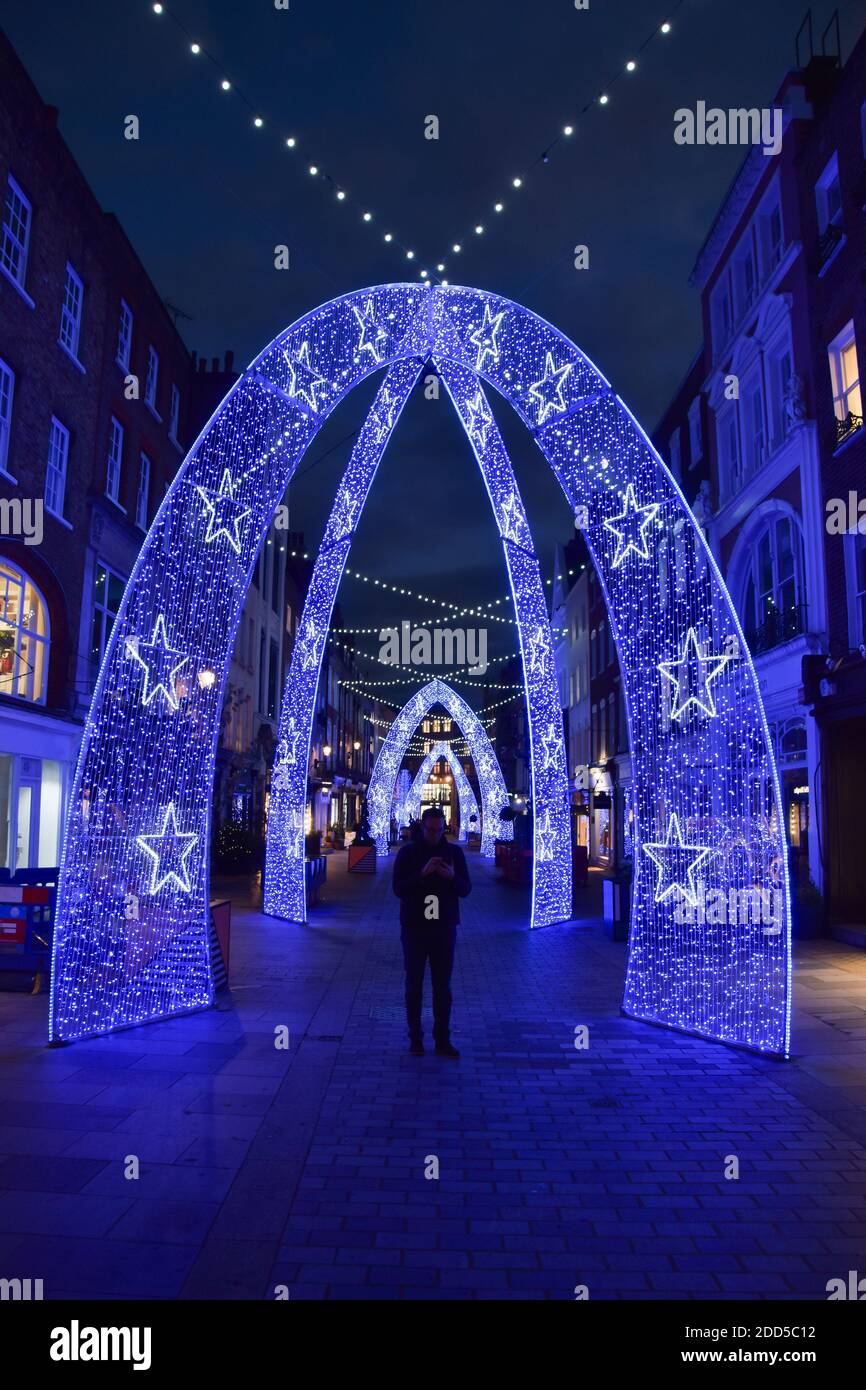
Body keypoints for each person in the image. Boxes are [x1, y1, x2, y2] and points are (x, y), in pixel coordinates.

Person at [392, 804, 471, 1057]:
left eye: (439, 830)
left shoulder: (454, 854)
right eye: (431, 830)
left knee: (442, 988)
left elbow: (466, 888)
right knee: (413, 986)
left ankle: (442, 1039)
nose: (435, 835)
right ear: (422, 828)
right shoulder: (408, 854)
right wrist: (422, 874)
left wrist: (451, 877)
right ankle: (415, 1037)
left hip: (443, 928)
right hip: (415, 928)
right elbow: (398, 889)